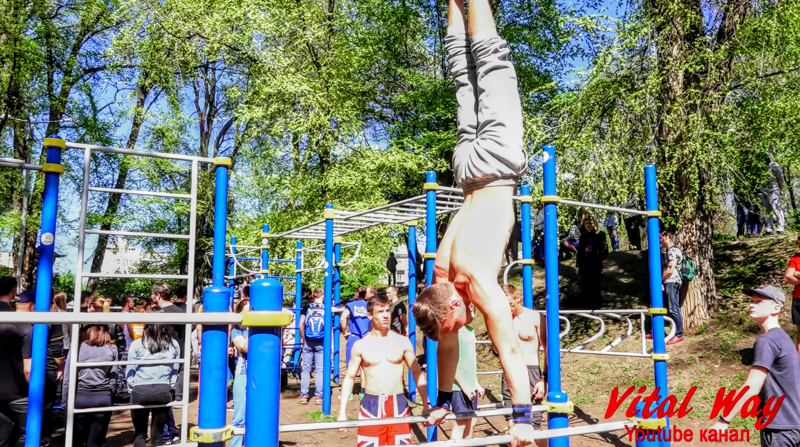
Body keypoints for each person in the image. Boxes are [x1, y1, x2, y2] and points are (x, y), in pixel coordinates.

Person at [410, 0, 538, 442]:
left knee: (491, 61)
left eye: (457, 323)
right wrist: (442, 402)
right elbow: (445, 344)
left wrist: (521, 416)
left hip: (499, 164)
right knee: (463, 78)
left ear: (453, 307)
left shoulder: (478, 283)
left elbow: (508, 350)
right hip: (466, 170)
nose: (461, 331)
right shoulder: (439, 278)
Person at [710, 285, 800, 446]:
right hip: (794, 424)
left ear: (776, 308)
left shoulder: (767, 341)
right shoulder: (784, 338)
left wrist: (724, 420)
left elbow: (752, 386)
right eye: (751, 301)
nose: (751, 304)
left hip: (780, 428)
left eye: (759, 301)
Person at [337, 295, 429, 445]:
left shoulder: (402, 342)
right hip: (370, 405)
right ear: (370, 316)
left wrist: (426, 403)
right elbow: (350, 378)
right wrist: (342, 413)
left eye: (387, 310)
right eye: (380, 312)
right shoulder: (361, 345)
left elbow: (417, 372)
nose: (386, 315)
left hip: (398, 404)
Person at [127, 307, 180, 447]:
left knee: (140, 434)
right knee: (157, 437)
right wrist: (169, 384)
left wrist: (132, 389)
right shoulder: (173, 344)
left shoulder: (137, 344)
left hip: (140, 390)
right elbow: (175, 369)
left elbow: (130, 370)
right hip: (163, 390)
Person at [501, 285, 547, 446]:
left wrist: (543, 380)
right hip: (510, 372)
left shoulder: (535, 317)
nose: (508, 309)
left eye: (510, 304)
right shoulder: (502, 319)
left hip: (531, 371)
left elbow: (548, 349)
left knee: (535, 427)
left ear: (517, 298)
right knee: (512, 425)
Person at [16, 290, 63, 447]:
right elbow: (57, 348)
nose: (51, 306)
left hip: (16, 372)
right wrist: (60, 366)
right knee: (42, 411)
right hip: (42, 368)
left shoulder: (10, 320)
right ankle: (42, 442)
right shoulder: (49, 318)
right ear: (31, 306)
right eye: (49, 303)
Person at [63, 324, 118, 447]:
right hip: (103, 398)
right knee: (95, 442)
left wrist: (65, 402)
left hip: (80, 397)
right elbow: (114, 377)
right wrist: (109, 394)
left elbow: (67, 378)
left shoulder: (77, 348)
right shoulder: (112, 348)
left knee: (76, 440)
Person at [0, 277, 32, 447]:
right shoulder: (22, 324)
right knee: (29, 433)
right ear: (13, 292)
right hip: (17, 392)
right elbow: (28, 369)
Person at [151, 284, 183, 444]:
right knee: (165, 395)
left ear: (157, 295)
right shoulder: (181, 312)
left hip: (161, 357)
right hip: (178, 357)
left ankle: (165, 433)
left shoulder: (159, 314)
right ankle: (171, 431)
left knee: (160, 396)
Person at [298, 288, 338, 404]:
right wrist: (330, 344)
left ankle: (303, 396)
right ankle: (319, 397)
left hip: (308, 340)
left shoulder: (307, 307)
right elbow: (329, 328)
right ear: (323, 296)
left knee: (305, 369)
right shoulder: (326, 308)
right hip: (321, 341)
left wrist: (304, 338)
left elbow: (301, 325)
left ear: (313, 296)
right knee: (320, 370)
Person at [450, 303, 482, 442]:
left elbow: (470, 362)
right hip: (458, 386)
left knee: (472, 421)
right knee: (461, 423)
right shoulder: (453, 332)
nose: (473, 316)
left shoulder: (470, 330)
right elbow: (450, 364)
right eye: (470, 312)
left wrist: (476, 384)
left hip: (470, 386)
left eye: (474, 311)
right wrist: (464, 386)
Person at [341, 286, 370, 400]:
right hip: (366, 335)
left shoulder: (351, 305)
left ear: (357, 294)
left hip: (354, 336)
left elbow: (343, 318)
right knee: (364, 365)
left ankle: (350, 392)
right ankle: (363, 392)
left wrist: (344, 331)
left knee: (351, 364)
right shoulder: (369, 305)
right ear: (365, 295)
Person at [576, 216, 608, 310]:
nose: (588, 225)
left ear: (594, 224)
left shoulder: (600, 234)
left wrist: (599, 257)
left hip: (595, 262)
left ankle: (596, 303)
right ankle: (587, 304)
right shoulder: (582, 236)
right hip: (584, 263)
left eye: (590, 223)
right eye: (586, 224)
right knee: (585, 284)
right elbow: (580, 252)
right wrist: (578, 265)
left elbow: (604, 249)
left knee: (595, 283)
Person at [230, 300, 250, 447]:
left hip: (262, 373)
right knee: (240, 415)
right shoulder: (237, 330)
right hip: (243, 371)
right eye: (248, 311)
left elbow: (287, 313)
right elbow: (244, 347)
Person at [660, 230, 684, 345]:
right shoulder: (669, 251)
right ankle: (659, 332)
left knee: (674, 308)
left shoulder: (673, 251)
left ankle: (679, 334)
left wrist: (660, 280)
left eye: (661, 236)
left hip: (672, 281)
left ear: (667, 237)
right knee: (668, 307)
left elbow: (670, 269)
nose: (660, 239)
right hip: (670, 281)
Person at [783, 234, 800, 356]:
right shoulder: (795, 258)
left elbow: (793, 275)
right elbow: (788, 277)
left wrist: (798, 274)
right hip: (798, 299)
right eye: (799, 238)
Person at [761, 157, 786, 236]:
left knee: (777, 208)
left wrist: (782, 188)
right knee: (767, 210)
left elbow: (780, 178)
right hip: (763, 190)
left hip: (774, 189)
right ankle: (769, 229)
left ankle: (780, 228)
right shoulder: (758, 166)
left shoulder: (774, 166)